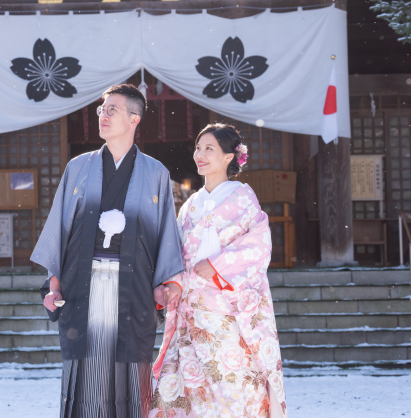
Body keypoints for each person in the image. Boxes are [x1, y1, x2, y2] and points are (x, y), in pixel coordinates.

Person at [31, 84, 185, 418]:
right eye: (102, 108)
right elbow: (60, 229)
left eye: (112, 109)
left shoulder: (156, 173)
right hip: (82, 287)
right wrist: (53, 284)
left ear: (134, 119)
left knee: (130, 377)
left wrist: (167, 283)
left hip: (134, 290)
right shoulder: (78, 168)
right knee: (85, 376)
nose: (103, 114)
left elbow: (165, 236)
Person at [150, 123, 288, 418]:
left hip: (227, 315)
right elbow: (175, 253)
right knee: (189, 393)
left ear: (230, 156)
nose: (200, 154)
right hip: (192, 315)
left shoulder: (242, 199)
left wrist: (216, 266)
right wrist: (172, 282)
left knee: (233, 391)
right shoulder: (189, 207)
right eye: (198, 148)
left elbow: (257, 247)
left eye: (209, 148)